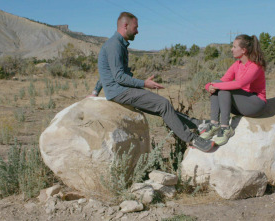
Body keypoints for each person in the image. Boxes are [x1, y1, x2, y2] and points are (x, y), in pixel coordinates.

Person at [90, 12, 214, 152]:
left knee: (161, 106)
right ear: (125, 26)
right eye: (135, 27)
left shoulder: (117, 43)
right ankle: (192, 139)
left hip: (120, 90)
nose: (137, 31)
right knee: (163, 104)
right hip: (119, 91)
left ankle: (197, 123)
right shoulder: (115, 45)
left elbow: (106, 72)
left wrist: (95, 92)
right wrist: (144, 83)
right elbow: (118, 76)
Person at [200, 34, 267, 146]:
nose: (232, 49)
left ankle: (226, 128)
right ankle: (214, 125)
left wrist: (216, 85)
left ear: (244, 50)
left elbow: (240, 84)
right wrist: (209, 85)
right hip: (240, 105)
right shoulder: (237, 64)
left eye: (234, 47)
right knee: (220, 85)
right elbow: (222, 81)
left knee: (224, 88)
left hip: (255, 105)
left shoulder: (255, 66)